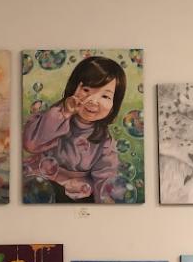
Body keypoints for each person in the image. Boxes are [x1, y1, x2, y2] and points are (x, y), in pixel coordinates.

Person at [23, 56, 126, 202]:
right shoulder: (58, 116)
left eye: (105, 96)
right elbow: (31, 144)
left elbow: (105, 178)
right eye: (86, 90)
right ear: (73, 88)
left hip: (75, 190)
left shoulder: (104, 140)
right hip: (41, 180)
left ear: (114, 104)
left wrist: (106, 203)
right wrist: (65, 112)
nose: (93, 101)